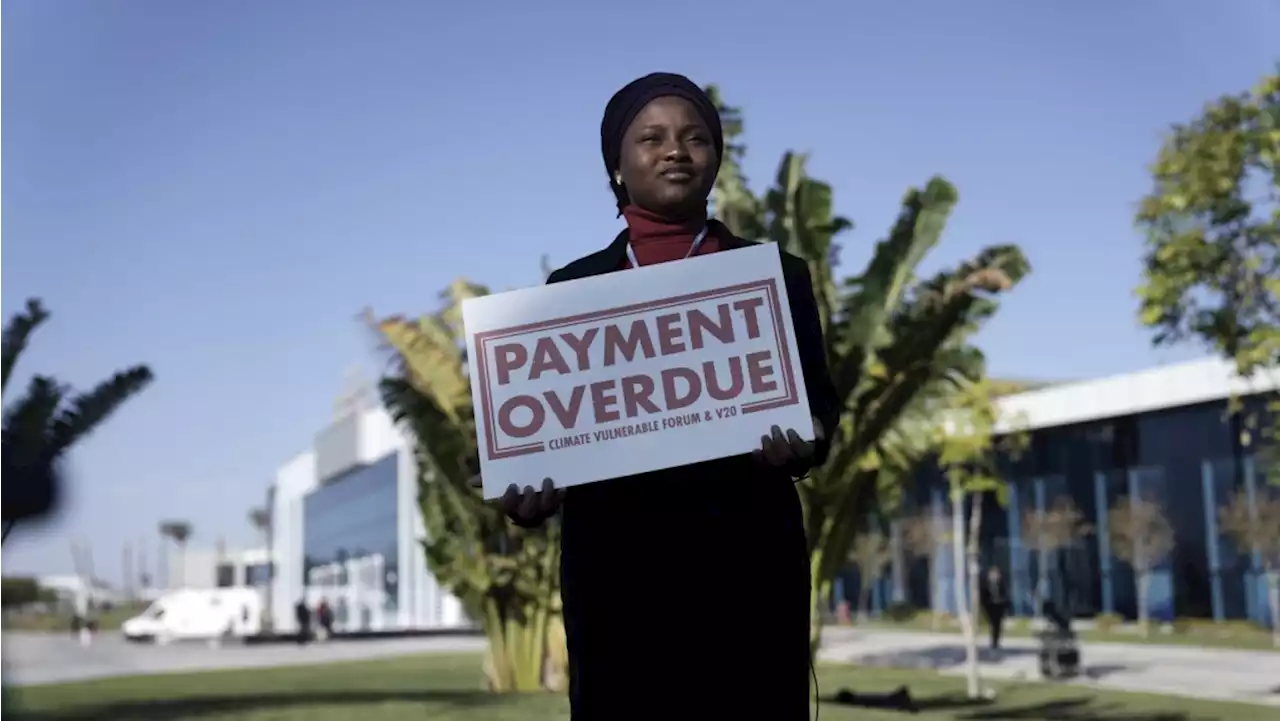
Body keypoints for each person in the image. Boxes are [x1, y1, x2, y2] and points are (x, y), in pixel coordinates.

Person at [485, 72, 840, 720]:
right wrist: (529, 495)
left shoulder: (776, 275)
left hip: (748, 572)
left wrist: (805, 437)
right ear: (616, 167)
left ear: (715, 159)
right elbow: (548, 438)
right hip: (618, 579)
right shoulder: (571, 287)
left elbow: (822, 405)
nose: (675, 150)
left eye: (694, 137)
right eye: (651, 138)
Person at [980, 566, 1009, 651]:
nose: (995, 576)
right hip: (990, 606)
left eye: (997, 574)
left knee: (998, 625)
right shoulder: (986, 584)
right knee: (992, 624)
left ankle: (995, 642)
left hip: (999, 606)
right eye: (993, 574)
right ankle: (993, 641)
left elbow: (1005, 594)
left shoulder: (1001, 583)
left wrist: (1004, 603)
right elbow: (983, 596)